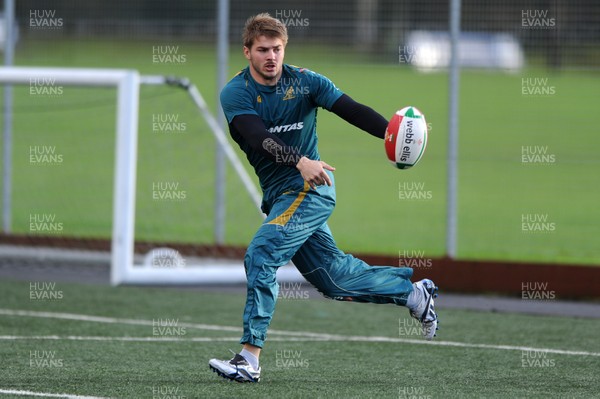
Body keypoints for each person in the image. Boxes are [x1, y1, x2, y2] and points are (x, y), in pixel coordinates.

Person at [209, 13, 439, 383]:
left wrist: (395, 134)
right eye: (263, 50)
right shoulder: (235, 94)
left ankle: (248, 358)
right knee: (335, 281)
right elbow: (257, 138)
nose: (271, 57)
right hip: (284, 193)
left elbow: (351, 110)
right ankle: (413, 294)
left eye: (278, 49)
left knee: (262, 253)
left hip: (310, 190)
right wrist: (298, 160)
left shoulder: (305, 82)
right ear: (247, 52)